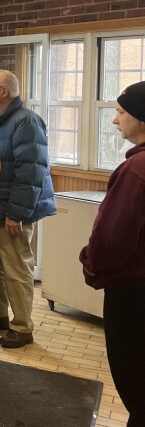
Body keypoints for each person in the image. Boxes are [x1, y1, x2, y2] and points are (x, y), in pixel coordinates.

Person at [80, 81, 145, 425]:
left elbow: (112, 238)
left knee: (137, 385)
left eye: (121, 112)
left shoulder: (136, 170)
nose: (115, 120)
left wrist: (91, 265)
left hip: (133, 294)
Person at [0, 69, 56, 348]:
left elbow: (31, 171)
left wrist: (17, 213)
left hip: (14, 211)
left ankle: (22, 327)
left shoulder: (26, 121)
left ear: (4, 92)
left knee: (16, 267)